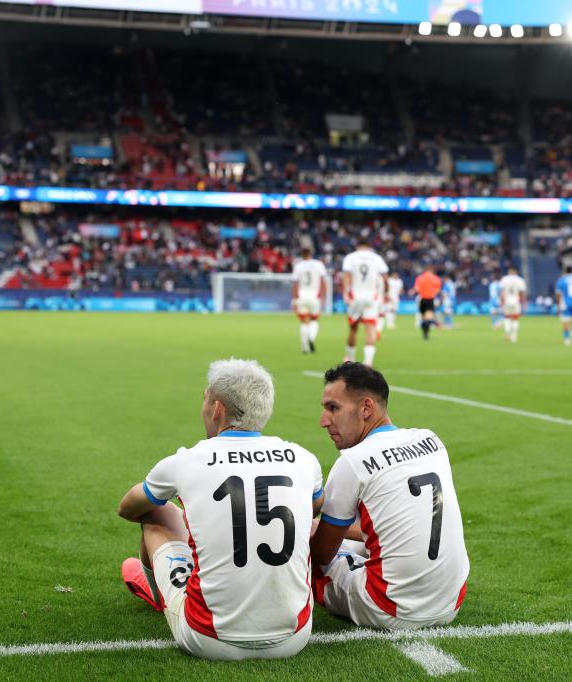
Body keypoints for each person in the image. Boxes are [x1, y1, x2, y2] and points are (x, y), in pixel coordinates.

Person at [117, 358, 324, 661]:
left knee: (156, 512)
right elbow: (315, 508)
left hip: (208, 638)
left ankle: (162, 595)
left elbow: (127, 508)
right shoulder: (304, 458)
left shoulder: (186, 460)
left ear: (217, 409)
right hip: (294, 637)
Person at [310, 363, 469, 629]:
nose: (323, 420)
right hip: (452, 600)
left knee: (303, 550)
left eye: (333, 408)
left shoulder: (353, 461)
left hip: (390, 607)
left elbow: (323, 554)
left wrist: (311, 530)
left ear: (366, 408)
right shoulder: (430, 439)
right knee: (354, 543)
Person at [341, 240, 389, 366]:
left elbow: (346, 276)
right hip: (372, 297)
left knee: (353, 328)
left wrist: (346, 293)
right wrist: (387, 291)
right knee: (370, 329)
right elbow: (385, 278)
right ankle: (368, 362)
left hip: (355, 297)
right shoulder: (377, 258)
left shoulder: (350, 257)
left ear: (358, 246)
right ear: (369, 247)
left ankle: (350, 359)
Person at [291, 248, 326, 353]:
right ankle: (311, 337)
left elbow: (295, 284)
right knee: (314, 320)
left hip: (302, 296)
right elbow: (323, 282)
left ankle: (305, 347)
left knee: (304, 322)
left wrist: (294, 299)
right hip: (314, 296)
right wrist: (323, 296)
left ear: (302, 255)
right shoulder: (318, 264)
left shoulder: (298, 266)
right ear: (311, 254)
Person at [410, 265, 442, 341]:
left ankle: (425, 333)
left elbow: (417, 288)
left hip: (422, 299)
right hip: (430, 300)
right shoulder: (436, 278)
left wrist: (412, 291)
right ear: (432, 270)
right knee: (428, 317)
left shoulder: (420, 278)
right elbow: (437, 290)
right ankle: (433, 324)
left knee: (423, 317)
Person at [498, 266, 527, 343]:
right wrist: (524, 303)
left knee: (507, 318)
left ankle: (507, 333)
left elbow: (501, 292)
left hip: (507, 301)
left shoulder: (504, 279)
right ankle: (514, 337)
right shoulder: (520, 280)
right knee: (515, 319)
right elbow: (522, 293)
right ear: (516, 272)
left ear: (509, 271)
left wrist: (501, 302)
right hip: (516, 302)